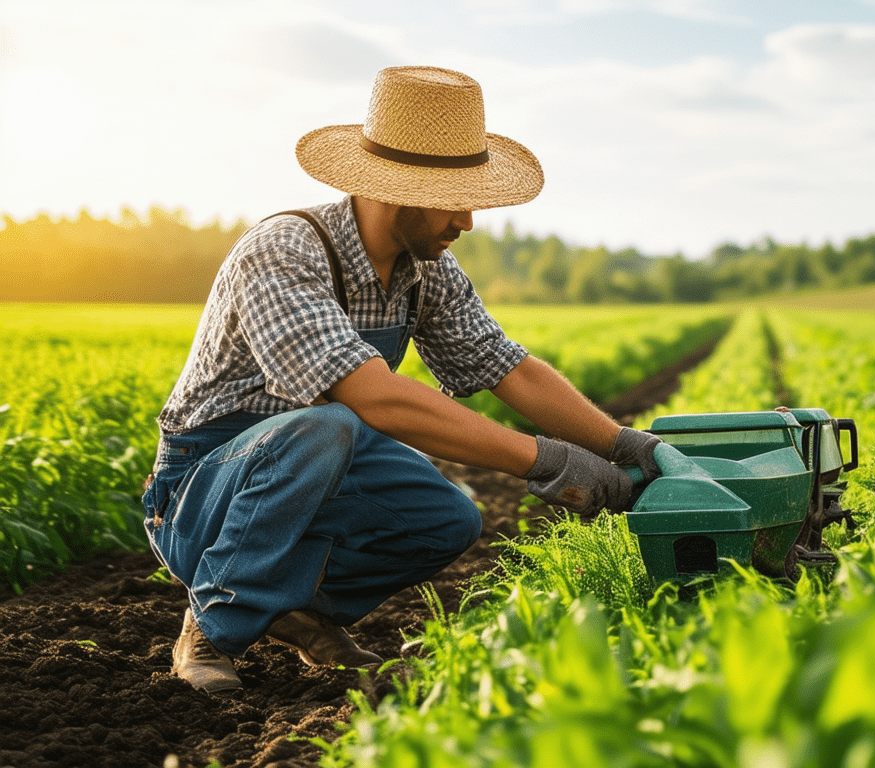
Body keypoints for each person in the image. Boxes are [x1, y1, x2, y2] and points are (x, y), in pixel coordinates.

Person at [141, 66, 662, 693]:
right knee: (329, 424)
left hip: (319, 464)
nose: (468, 221)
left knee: (445, 518)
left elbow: (511, 370)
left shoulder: (425, 269)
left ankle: (301, 612)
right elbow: (371, 395)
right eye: (458, 200)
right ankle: (212, 622)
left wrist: (621, 444)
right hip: (203, 488)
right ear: (400, 189)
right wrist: (545, 461)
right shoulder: (284, 250)